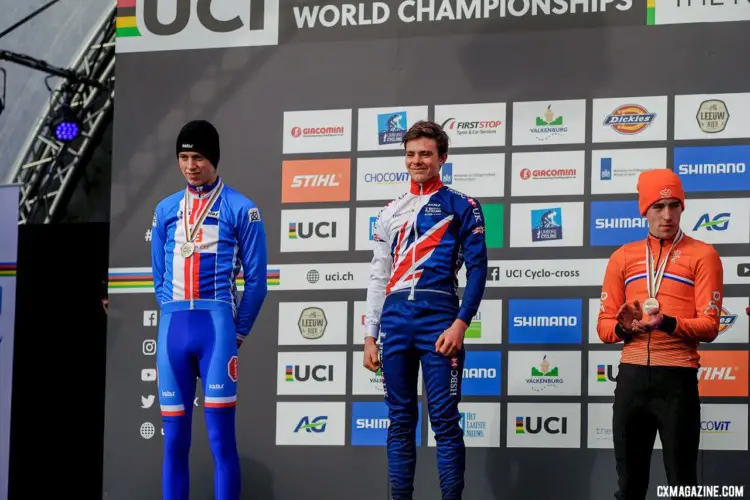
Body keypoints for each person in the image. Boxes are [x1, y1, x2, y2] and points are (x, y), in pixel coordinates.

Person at [363, 120, 488, 500]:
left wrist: (460, 324)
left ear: (442, 158)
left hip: (439, 318)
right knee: (400, 421)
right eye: (411, 154)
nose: (417, 161)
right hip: (396, 321)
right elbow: (378, 275)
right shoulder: (389, 211)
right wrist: (370, 335)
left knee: (445, 422)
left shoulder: (461, 205)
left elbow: (479, 268)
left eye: (426, 154)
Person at [150, 120, 268, 500]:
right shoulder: (166, 209)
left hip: (217, 331)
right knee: (174, 443)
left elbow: (257, 282)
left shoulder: (241, 208)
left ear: (212, 158)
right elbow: (158, 277)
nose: (190, 165)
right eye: (183, 157)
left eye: (198, 156)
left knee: (221, 441)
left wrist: (238, 331)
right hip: (173, 328)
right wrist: (171, 314)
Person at [597, 168, 724, 500]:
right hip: (632, 380)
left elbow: (710, 326)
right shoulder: (622, 257)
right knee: (629, 488)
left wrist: (666, 323)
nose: (667, 215)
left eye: (674, 206)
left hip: (677, 382)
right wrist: (625, 327)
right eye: (658, 206)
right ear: (644, 210)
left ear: (682, 207)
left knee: (682, 486)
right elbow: (604, 327)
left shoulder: (704, 255)